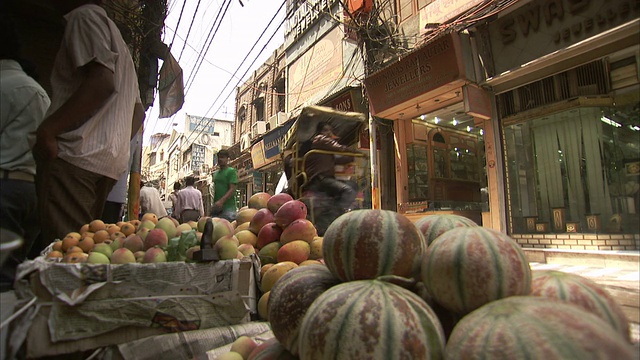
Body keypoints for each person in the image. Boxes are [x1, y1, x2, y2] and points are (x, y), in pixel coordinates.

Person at [33, 0, 144, 244]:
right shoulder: (123, 49)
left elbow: (102, 82)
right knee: (84, 246)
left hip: (77, 155)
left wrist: (48, 130)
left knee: (68, 248)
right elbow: (139, 112)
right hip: (108, 162)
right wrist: (114, 144)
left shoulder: (84, 17)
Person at [0, 16, 51, 291]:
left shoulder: (6, 86)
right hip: (30, 190)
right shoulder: (40, 94)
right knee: (13, 277)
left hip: (5, 189)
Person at [304, 122, 357, 235]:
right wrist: (353, 151)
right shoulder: (320, 139)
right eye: (326, 130)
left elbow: (339, 159)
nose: (329, 133)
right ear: (320, 132)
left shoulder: (325, 152)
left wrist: (351, 157)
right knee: (348, 190)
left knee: (353, 185)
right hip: (320, 180)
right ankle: (338, 215)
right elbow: (337, 147)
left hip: (326, 180)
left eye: (330, 131)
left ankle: (333, 217)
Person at [211, 149, 238, 222]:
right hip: (217, 209)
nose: (220, 159)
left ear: (227, 159)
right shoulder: (215, 173)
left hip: (228, 209)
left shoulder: (231, 171)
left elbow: (232, 189)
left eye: (222, 157)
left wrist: (221, 202)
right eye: (219, 157)